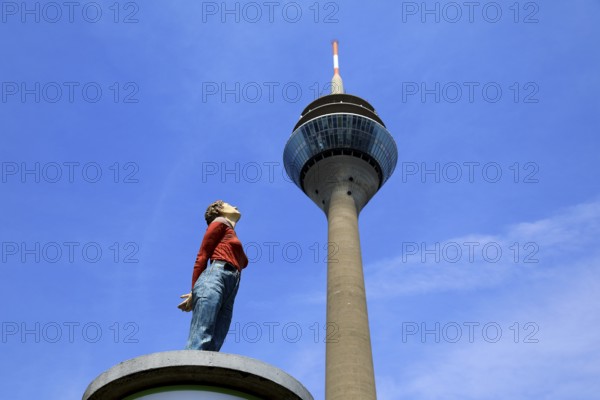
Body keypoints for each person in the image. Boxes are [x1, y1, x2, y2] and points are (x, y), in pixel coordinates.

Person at [178, 200, 248, 351]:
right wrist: (194, 290)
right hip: (216, 275)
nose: (235, 206)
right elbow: (202, 256)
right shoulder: (219, 222)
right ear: (220, 209)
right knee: (202, 334)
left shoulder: (230, 232)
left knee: (216, 341)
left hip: (231, 285)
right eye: (230, 204)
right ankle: (189, 370)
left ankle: (205, 373)